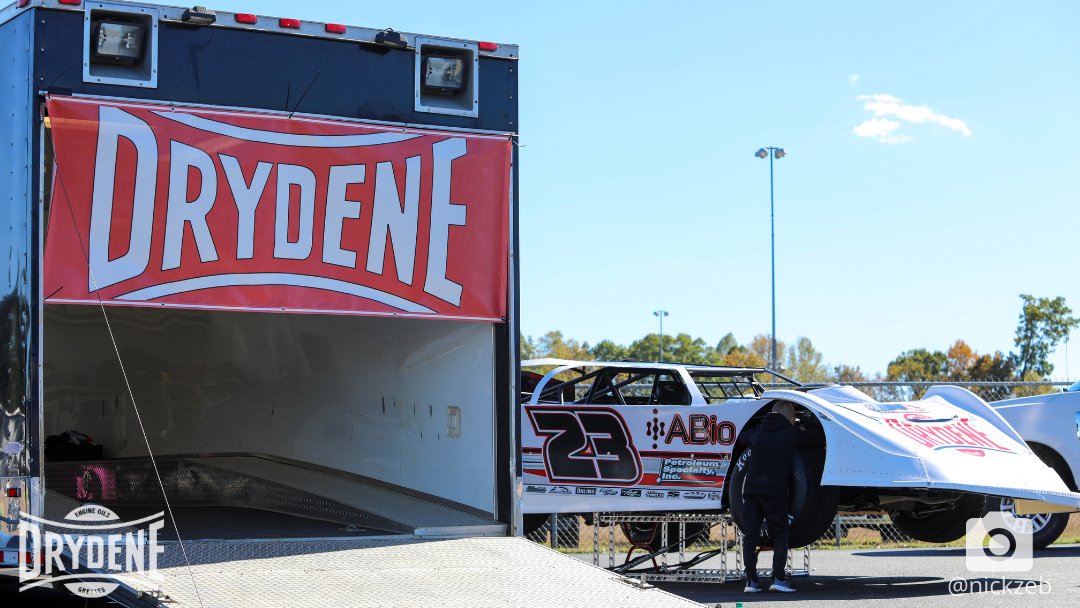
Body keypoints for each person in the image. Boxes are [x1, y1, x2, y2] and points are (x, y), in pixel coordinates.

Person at [741, 401, 817, 593]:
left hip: (750, 489)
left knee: (750, 535)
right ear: (791, 419)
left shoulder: (758, 432)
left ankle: (751, 581)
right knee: (780, 534)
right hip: (774, 490)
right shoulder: (790, 433)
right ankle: (778, 579)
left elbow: (742, 437)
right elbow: (814, 439)